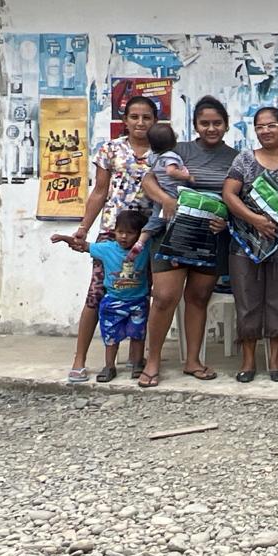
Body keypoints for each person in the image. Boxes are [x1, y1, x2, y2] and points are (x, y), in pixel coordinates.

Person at [53, 94, 158, 382]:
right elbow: (100, 191)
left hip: (148, 235)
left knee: (142, 293)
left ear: (155, 121)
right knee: (97, 293)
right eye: (134, 117)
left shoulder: (162, 153)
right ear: (125, 120)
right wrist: (83, 228)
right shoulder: (110, 149)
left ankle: (138, 358)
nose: (140, 122)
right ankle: (80, 359)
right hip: (114, 232)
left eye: (146, 117)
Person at [138, 96, 238, 388]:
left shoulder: (235, 158)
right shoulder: (177, 150)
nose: (211, 128)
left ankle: (193, 361)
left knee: (198, 297)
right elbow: (147, 180)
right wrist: (166, 200)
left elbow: (237, 197)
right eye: (204, 123)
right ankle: (153, 361)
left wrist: (227, 221)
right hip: (171, 232)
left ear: (226, 125)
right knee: (164, 297)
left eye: (217, 123)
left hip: (210, 236)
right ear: (195, 125)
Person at [221, 106, 278, 384]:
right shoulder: (245, 159)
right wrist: (255, 219)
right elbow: (229, 194)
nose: (266, 131)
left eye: (272, 125)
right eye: (260, 126)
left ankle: (276, 360)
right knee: (247, 300)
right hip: (245, 242)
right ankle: (248, 360)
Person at [53, 210, 151, 384]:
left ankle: (137, 364)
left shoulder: (144, 249)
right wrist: (64, 238)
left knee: (138, 334)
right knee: (111, 337)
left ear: (139, 234)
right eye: (120, 232)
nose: (124, 236)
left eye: (130, 233)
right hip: (113, 302)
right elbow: (83, 246)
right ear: (114, 231)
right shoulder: (106, 249)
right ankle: (109, 366)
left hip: (138, 302)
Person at [132, 123, 193, 255]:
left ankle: (141, 241)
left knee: (156, 218)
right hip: (173, 192)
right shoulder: (170, 156)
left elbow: (149, 168)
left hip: (160, 192)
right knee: (173, 220)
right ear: (173, 142)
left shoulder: (153, 156)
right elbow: (171, 171)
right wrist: (187, 177)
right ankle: (172, 250)